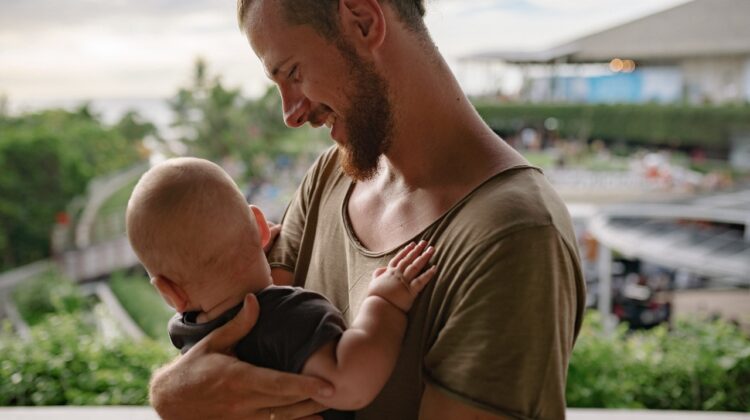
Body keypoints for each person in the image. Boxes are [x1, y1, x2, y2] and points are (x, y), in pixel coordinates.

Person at [149, 0, 587, 419]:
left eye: (294, 73)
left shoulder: (516, 234)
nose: (290, 114)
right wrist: (169, 392)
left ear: (362, 20)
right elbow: (242, 340)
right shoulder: (330, 178)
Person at [127, 157, 437, 419]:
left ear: (169, 292)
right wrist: (385, 302)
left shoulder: (188, 336)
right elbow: (349, 386)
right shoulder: (290, 315)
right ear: (262, 227)